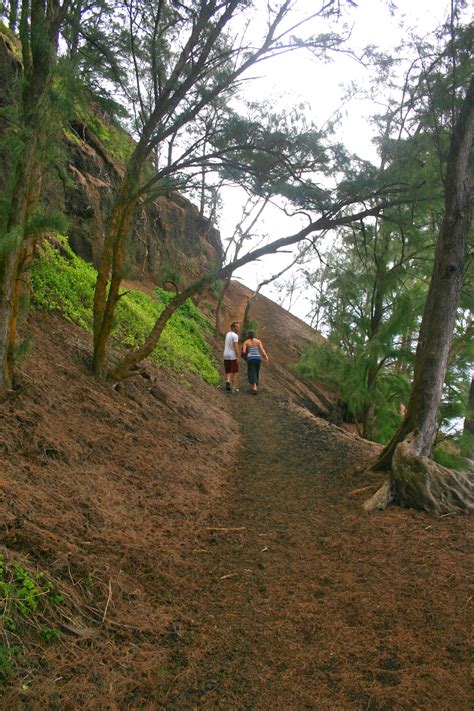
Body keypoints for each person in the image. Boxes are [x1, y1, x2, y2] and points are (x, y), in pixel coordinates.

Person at [241, 330, 269, 394]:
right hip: (258, 358)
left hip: (250, 358)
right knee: (256, 371)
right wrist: (266, 356)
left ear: (248, 335)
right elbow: (262, 349)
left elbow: (244, 351)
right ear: (254, 335)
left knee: (252, 371)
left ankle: (254, 387)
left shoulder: (246, 342)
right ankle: (256, 382)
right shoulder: (258, 341)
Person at [223, 321, 240, 393]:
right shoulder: (235, 336)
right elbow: (235, 346)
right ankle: (234, 387)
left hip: (225, 354)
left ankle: (228, 381)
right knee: (235, 372)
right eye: (237, 327)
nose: (238, 328)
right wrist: (238, 356)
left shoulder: (227, 334)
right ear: (233, 327)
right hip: (232, 355)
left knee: (228, 370)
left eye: (239, 327)